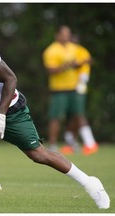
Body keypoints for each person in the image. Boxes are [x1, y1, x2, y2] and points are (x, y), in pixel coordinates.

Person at [0, 11, 110, 209]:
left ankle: (90, 183)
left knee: (38, 155)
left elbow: (10, 79)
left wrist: (0, 114)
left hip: (9, 107)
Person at [42, 25, 98, 155]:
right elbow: (50, 70)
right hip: (59, 89)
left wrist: (82, 64)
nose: (67, 36)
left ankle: (72, 142)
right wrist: (66, 66)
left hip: (75, 87)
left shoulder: (74, 48)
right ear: (57, 35)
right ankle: (53, 145)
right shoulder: (51, 50)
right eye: (64, 34)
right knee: (56, 117)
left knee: (77, 115)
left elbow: (87, 59)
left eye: (68, 34)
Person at [61, 34, 98, 155]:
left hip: (79, 85)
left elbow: (88, 61)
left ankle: (90, 143)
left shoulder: (80, 51)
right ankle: (70, 143)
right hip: (68, 87)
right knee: (72, 116)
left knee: (79, 114)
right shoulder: (67, 51)